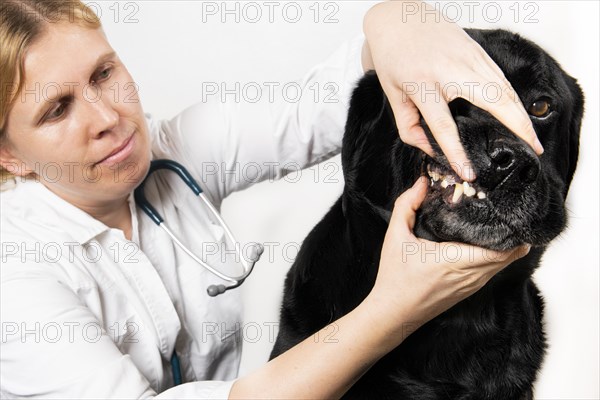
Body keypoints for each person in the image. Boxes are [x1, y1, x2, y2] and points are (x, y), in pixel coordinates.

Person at [0, 0, 538, 398]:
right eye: (56, 110)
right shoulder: (14, 275)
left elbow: (328, 102)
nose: (108, 118)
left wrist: (394, 21)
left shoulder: (173, 151)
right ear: (10, 157)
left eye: (103, 73)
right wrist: (393, 308)